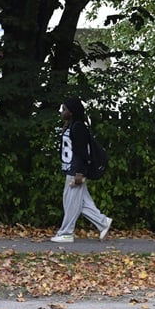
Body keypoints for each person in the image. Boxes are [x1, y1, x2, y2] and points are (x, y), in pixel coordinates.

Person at [51, 98, 112, 243]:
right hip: (70, 169)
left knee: (71, 202)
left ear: (71, 112)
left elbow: (82, 152)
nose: (62, 112)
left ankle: (66, 233)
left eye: (64, 109)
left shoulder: (78, 127)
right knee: (81, 202)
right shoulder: (70, 126)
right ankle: (103, 222)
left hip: (76, 171)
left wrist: (80, 173)